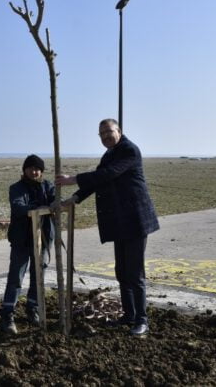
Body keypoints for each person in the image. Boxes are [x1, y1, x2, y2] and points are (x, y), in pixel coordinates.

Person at [56, 119, 159, 336]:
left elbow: (107, 174)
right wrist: (73, 198)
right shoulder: (109, 154)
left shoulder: (129, 151)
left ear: (119, 131)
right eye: (101, 134)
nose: (105, 136)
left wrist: (73, 179)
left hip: (135, 221)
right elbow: (97, 182)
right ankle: (129, 316)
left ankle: (142, 320)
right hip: (120, 222)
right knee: (121, 272)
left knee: (134, 273)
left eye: (108, 132)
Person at [0, 154, 55, 334]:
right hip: (21, 240)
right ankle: (8, 314)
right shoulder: (16, 188)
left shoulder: (47, 186)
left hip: (44, 239)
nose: (34, 171)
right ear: (24, 169)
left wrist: (55, 204)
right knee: (16, 276)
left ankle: (33, 309)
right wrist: (36, 210)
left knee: (38, 277)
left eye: (38, 168)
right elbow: (18, 207)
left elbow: (55, 200)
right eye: (31, 168)